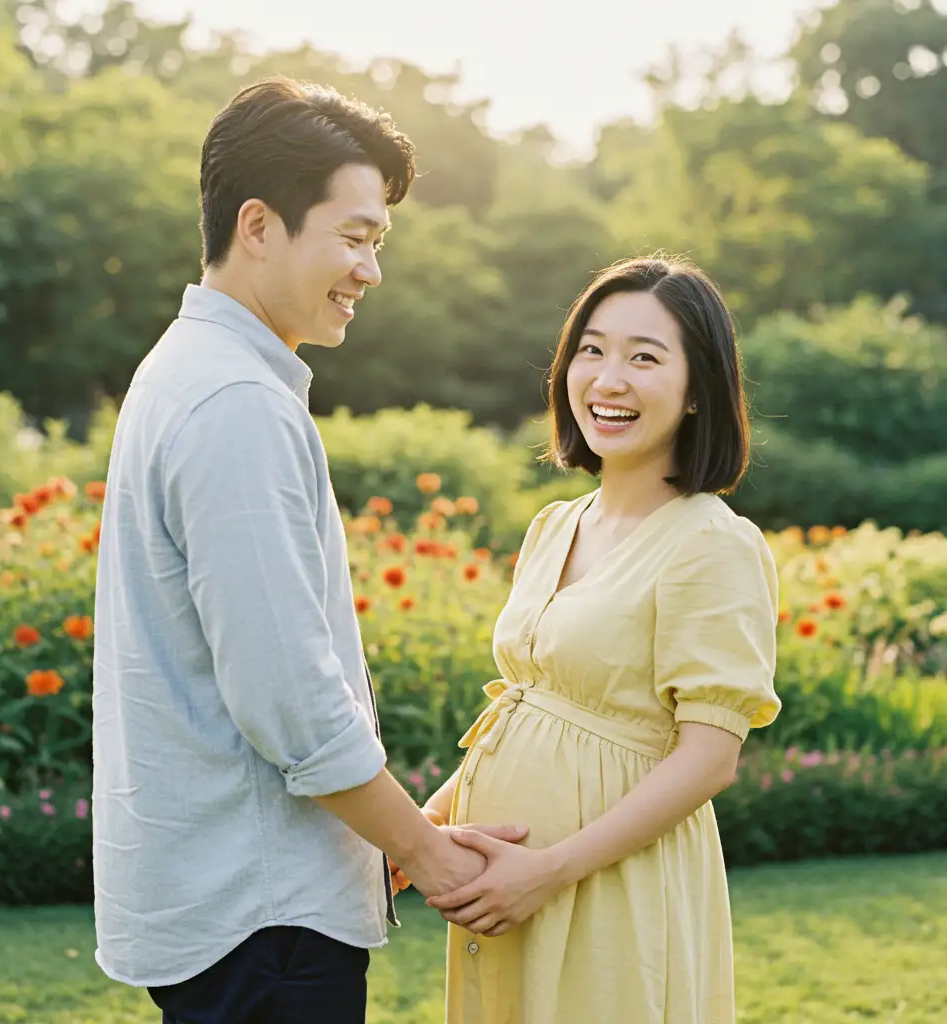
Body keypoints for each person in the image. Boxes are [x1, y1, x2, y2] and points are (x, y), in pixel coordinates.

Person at [91, 75, 526, 1024]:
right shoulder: (233, 404)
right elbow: (288, 697)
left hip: (240, 906)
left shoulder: (192, 372)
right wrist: (427, 851)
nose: (371, 269)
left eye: (379, 243)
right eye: (356, 236)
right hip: (263, 919)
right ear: (258, 225)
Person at [414, 257, 781, 1022]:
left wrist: (548, 870)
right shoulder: (555, 525)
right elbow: (528, 706)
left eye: (644, 357)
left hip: (607, 888)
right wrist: (423, 828)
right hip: (508, 890)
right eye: (591, 349)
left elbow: (709, 757)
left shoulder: (712, 543)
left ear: (696, 391)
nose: (608, 379)